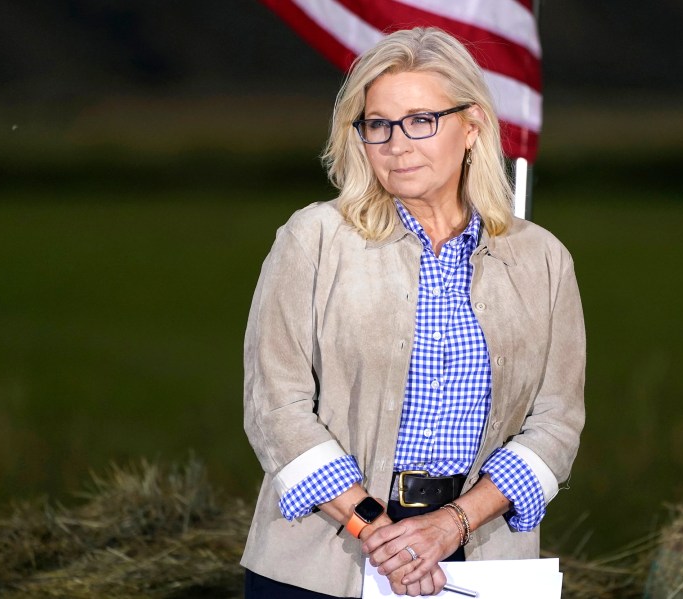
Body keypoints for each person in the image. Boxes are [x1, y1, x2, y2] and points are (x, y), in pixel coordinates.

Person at [241, 27, 585, 598]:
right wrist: (379, 533)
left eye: (421, 120)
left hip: (478, 566)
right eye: (378, 124)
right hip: (324, 560)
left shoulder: (543, 259)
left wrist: (450, 525)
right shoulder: (313, 239)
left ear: (471, 127)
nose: (397, 144)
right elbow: (275, 406)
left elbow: (556, 425)